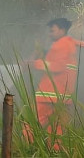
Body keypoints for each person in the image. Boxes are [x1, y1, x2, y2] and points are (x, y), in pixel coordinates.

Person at [24, 18, 78, 147]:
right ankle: (54, 153)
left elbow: (58, 66)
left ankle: (26, 149)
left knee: (31, 123)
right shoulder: (70, 45)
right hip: (63, 97)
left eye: (52, 31)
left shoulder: (61, 44)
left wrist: (34, 63)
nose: (50, 34)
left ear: (62, 30)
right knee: (56, 131)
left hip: (48, 94)